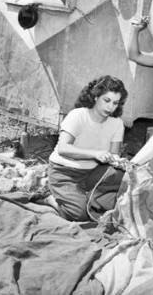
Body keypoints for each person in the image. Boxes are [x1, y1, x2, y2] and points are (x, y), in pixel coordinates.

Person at [44, 75, 128, 221]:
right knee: (81, 214)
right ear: (96, 97)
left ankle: (85, 196)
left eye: (115, 103)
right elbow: (63, 149)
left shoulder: (117, 123)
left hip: (92, 172)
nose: (110, 107)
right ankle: (50, 199)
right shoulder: (78, 115)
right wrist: (95, 154)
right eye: (106, 100)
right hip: (64, 172)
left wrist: (120, 162)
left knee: (126, 185)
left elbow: (114, 155)